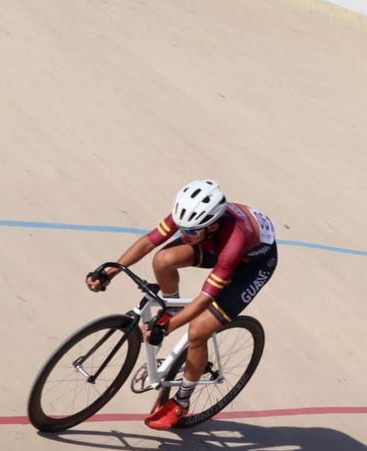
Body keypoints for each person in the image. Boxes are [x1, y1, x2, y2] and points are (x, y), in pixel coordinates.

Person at [86, 179, 277, 429]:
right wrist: (110, 271)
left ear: (212, 225)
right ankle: (172, 307)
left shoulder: (234, 240)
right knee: (162, 260)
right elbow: (149, 242)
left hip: (252, 265)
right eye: (181, 228)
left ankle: (182, 402)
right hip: (214, 244)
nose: (184, 235)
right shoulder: (190, 217)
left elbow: (206, 297)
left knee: (198, 330)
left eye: (191, 232)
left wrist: (167, 328)